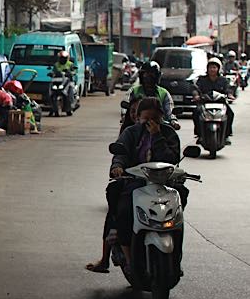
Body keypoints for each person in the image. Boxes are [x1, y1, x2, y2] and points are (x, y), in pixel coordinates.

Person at [86, 98, 182, 273]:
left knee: (178, 213)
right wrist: (117, 167)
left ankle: (176, 261)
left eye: (155, 118)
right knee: (122, 210)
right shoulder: (131, 132)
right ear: (138, 117)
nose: (150, 122)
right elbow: (120, 153)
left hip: (163, 184)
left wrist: (157, 136)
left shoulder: (168, 134)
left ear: (161, 117)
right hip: (135, 182)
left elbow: (172, 159)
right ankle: (126, 258)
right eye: (146, 118)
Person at [125, 61, 179, 129]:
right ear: (141, 76)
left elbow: (169, 110)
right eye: (146, 75)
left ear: (157, 76)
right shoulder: (134, 91)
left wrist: (173, 120)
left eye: (151, 75)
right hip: (136, 126)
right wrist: (124, 115)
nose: (148, 78)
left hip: (159, 126)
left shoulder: (164, 93)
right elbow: (126, 105)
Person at [192, 57, 234, 143]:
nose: (212, 69)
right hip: (205, 103)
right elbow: (196, 88)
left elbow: (228, 89)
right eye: (210, 67)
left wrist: (230, 94)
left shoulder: (223, 80)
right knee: (196, 112)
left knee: (230, 113)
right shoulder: (202, 79)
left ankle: (226, 135)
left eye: (214, 67)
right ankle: (199, 134)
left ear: (218, 69)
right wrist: (196, 95)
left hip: (220, 103)